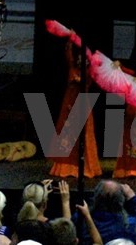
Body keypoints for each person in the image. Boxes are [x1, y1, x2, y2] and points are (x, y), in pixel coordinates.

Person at [49, 36, 103, 178]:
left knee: (84, 136)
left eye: (84, 58)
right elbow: (68, 54)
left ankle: (86, 167)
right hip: (69, 104)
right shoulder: (73, 68)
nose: (80, 60)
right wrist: (70, 40)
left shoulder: (90, 73)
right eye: (79, 57)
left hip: (82, 105)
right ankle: (66, 167)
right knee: (67, 135)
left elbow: (87, 82)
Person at [74, 179, 136, 244]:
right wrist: (132, 197)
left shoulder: (81, 220)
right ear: (121, 200)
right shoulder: (129, 226)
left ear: (96, 198)